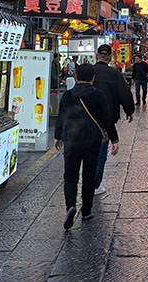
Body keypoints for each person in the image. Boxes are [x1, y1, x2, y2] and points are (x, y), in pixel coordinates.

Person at [55, 64, 119, 229]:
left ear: (76, 77)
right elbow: (106, 118)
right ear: (93, 78)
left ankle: (70, 206)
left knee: (70, 175)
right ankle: (86, 210)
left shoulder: (68, 95)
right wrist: (114, 139)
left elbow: (61, 116)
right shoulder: (97, 95)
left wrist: (58, 136)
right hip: (92, 140)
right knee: (89, 175)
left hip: (71, 140)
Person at [93, 44, 135, 195]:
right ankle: (95, 185)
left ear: (96, 56)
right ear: (110, 58)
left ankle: (87, 181)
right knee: (100, 153)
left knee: (87, 151)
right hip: (106, 119)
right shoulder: (114, 74)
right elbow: (124, 94)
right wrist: (129, 110)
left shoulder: (88, 71)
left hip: (85, 117)